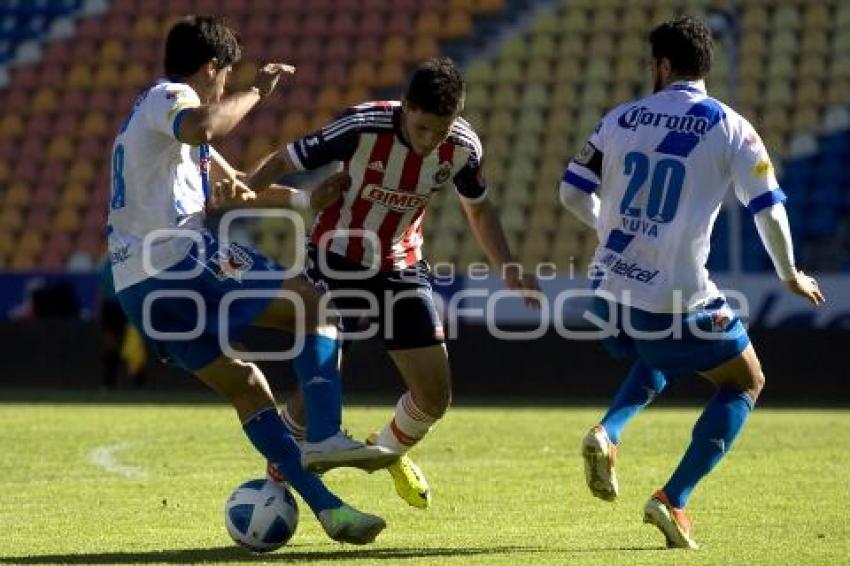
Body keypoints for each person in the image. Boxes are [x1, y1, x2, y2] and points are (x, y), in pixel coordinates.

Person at [106, 15, 397, 544]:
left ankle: (329, 509)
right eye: (224, 77)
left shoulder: (163, 137)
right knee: (317, 303)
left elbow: (237, 187)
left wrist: (309, 199)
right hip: (179, 258)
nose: (222, 87)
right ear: (213, 68)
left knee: (248, 385)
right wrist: (257, 90)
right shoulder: (167, 97)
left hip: (138, 288)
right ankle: (325, 435)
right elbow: (205, 125)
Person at [559, 16, 825, 549]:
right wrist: (789, 273)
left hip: (608, 290)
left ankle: (608, 432)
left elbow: (570, 192)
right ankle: (673, 499)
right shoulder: (731, 127)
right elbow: (768, 210)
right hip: (675, 294)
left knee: (659, 355)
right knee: (745, 380)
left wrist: (613, 230)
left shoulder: (621, 117)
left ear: (661, 65)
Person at [247, 57, 540, 510]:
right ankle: (278, 482)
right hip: (335, 256)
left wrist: (509, 267)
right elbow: (286, 159)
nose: (429, 142)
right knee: (317, 387)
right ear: (405, 106)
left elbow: (478, 208)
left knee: (435, 395)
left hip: (401, 265)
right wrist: (243, 189)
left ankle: (386, 453)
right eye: (422, 128)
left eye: (439, 132)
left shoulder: (462, 147)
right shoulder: (362, 126)